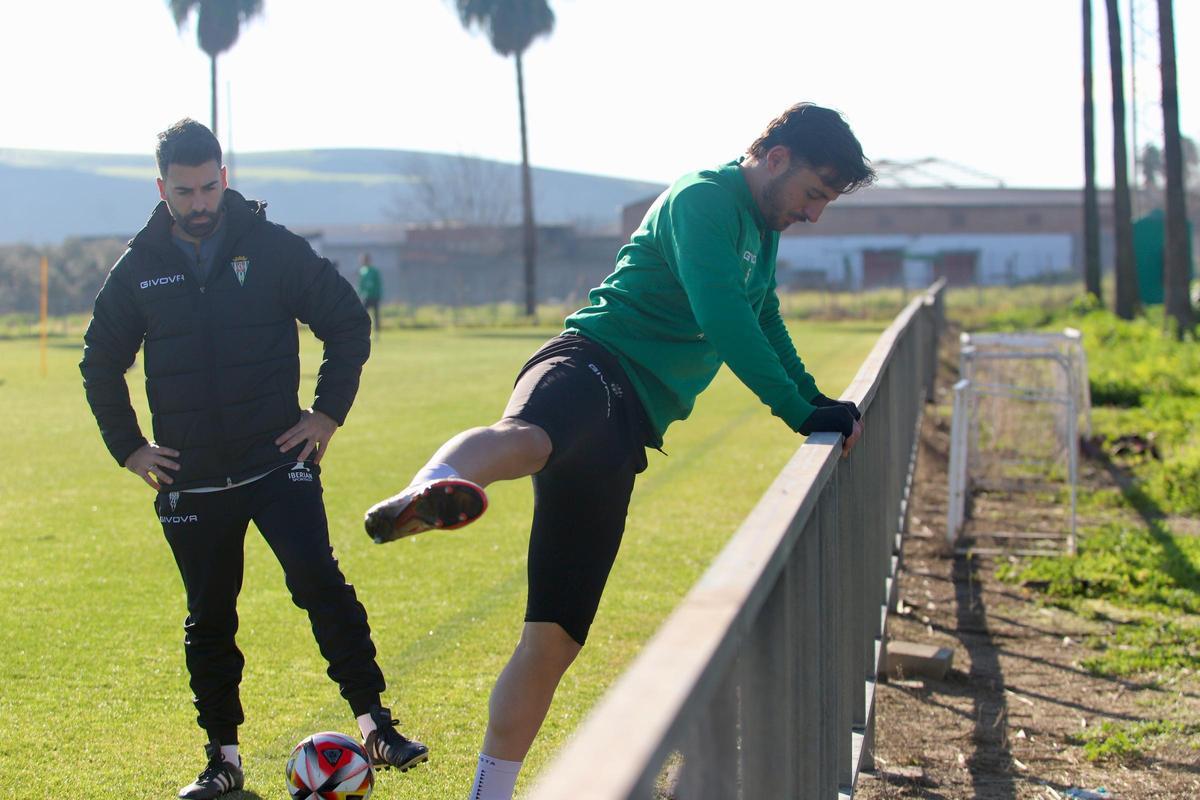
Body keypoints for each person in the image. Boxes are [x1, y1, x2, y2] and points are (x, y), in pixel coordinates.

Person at [363, 101, 874, 800]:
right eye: (815, 193)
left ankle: (489, 795)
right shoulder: (704, 198)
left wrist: (815, 398)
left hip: (625, 433)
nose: (814, 214)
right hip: (591, 364)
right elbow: (723, 316)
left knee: (555, 642)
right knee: (532, 438)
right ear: (777, 157)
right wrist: (796, 410)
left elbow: (762, 315)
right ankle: (428, 487)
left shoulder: (761, 226)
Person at [79, 119, 427, 800]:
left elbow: (346, 321)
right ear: (162, 189)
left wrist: (326, 414)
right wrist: (129, 448)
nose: (201, 201)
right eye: (186, 191)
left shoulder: (270, 249)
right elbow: (98, 363)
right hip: (193, 480)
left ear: (224, 178)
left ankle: (377, 725)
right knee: (209, 617)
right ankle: (223, 762)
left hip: (277, 463)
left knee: (318, 583)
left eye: (210, 186)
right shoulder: (139, 267)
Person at [358, 252, 383, 335]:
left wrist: (379, 294)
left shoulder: (374, 271)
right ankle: (363, 331)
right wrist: (359, 294)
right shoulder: (362, 271)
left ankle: (377, 333)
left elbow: (378, 283)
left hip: (374, 296)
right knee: (363, 315)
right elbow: (360, 284)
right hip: (366, 296)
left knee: (376, 315)